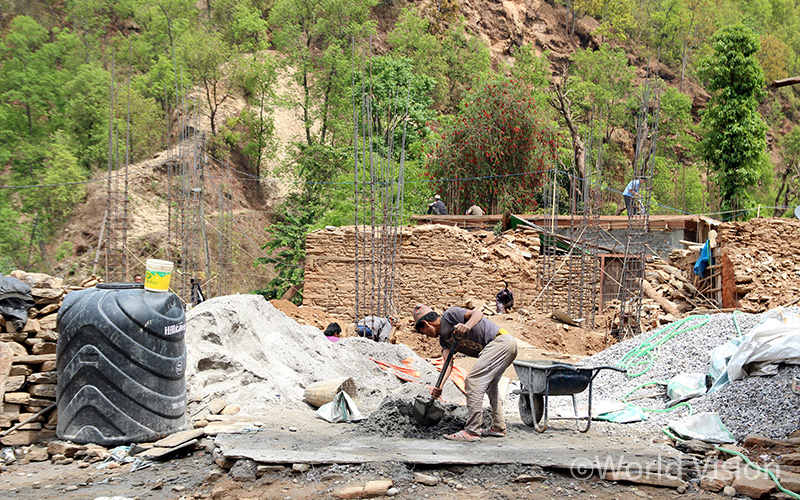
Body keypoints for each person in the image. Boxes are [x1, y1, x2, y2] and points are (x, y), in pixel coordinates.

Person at [413, 304, 518, 442]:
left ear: (426, 323)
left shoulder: (450, 315)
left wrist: (467, 326)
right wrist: (439, 387)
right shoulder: (444, 340)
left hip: (501, 341)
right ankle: (498, 426)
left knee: (473, 381)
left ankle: (472, 430)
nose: (427, 336)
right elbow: (448, 364)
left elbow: (478, 313)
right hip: (498, 348)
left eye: (424, 332)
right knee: (490, 385)